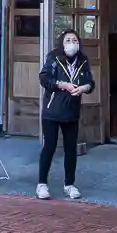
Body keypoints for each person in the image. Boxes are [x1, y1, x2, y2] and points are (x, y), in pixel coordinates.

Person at [37, 29, 94, 199]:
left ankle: (69, 184)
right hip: (52, 110)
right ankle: (42, 184)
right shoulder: (54, 57)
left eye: (74, 40)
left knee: (71, 149)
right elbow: (44, 79)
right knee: (50, 146)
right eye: (68, 40)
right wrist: (62, 85)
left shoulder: (83, 60)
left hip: (71, 111)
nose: (71, 43)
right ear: (62, 42)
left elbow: (90, 82)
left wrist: (84, 88)